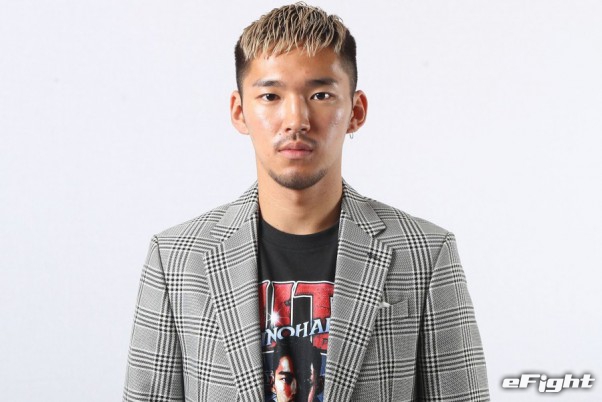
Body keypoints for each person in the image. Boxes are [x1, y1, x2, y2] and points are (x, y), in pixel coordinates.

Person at [123, 3, 490, 401]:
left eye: (320, 94)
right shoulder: (176, 259)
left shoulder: (425, 254)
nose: (296, 119)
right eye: (270, 95)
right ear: (239, 112)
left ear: (356, 111)